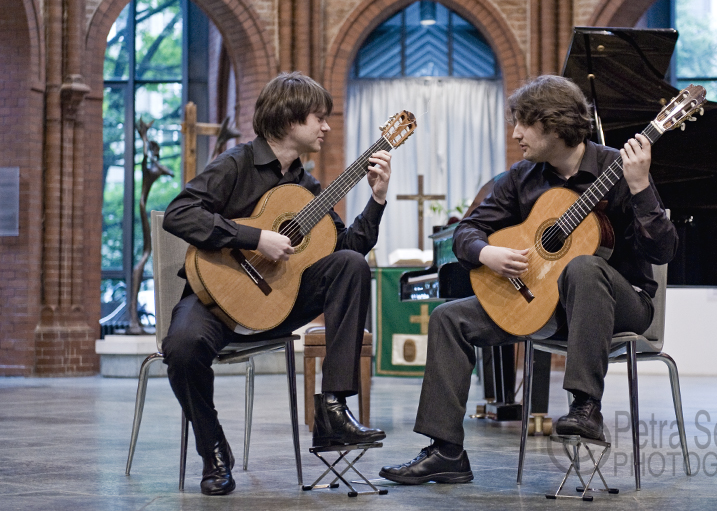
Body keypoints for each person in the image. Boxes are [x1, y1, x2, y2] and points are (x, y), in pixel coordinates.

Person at [379, 75, 678, 485]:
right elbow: (467, 231)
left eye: (523, 122)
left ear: (553, 124)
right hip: (547, 304)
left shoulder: (619, 169)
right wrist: (488, 253)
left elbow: (663, 252)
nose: (515, 132)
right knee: (449, 319)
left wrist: (641, 186)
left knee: (583, 267)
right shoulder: (523, 177)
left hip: (621, 303)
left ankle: (585, 408)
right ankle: (446, 451)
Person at [162, 72, 390, 495]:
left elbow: (347, 247)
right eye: (318, 118)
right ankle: (212, 448)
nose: (326, 127)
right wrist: (254, 238)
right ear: (289, 121)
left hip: (279, 304)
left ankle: (332, 411)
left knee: (351, 265)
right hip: (219, 297)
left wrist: (376, 200)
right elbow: (179, 213)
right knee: (182, 347)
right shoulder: (235, 164)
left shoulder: (307, 187)